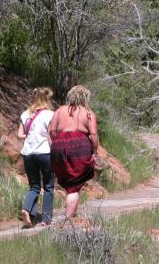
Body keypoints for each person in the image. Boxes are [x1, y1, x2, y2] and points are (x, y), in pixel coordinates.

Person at [49, 85, 99, 218]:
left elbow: (52, 131)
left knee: (68, 180)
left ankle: (72, 213)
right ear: (85, 98)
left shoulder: (59, 110)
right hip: (79, 145)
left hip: (58, 145)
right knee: (75, 184)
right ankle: (68, 218)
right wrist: (94, 151)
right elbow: (93, 134)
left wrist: (58, 142)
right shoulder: (88, 113)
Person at [17, 87, 54, 227]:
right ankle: (46, 219)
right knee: (49, 185)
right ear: (47, 99)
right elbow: (51, 136)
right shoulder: (50, 114)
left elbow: (19, 135)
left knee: (34, 186)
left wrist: (30, 136)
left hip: (28, 154)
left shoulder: (25, 114)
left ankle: (27, 212)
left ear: (34, 98)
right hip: (44, 152)